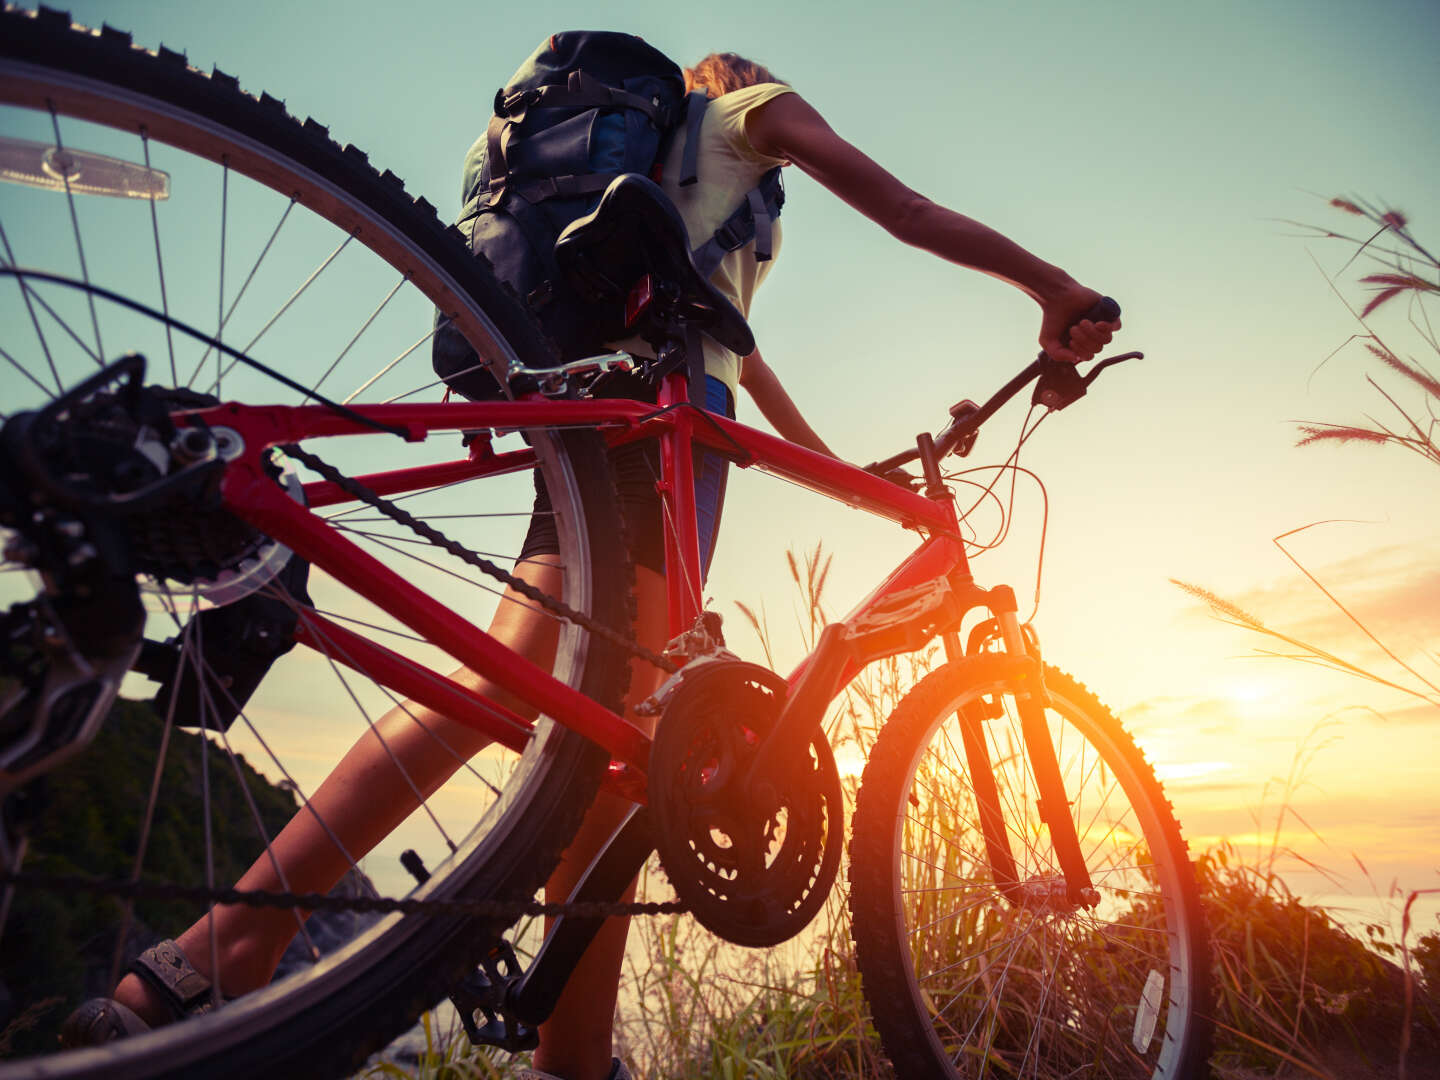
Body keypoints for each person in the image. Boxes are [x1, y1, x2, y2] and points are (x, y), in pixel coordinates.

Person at [66, 50, 1116, 1080]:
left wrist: (832, 468)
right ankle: (220, 957)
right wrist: (1049, 284)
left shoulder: (663, 180)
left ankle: (559, 1050)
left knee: (603, 741)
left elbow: (732, 346)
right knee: (551, 708)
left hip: (603, 402)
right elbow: (906, 208)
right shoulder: (748, 112)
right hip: (665, 427)